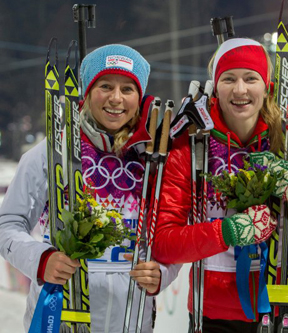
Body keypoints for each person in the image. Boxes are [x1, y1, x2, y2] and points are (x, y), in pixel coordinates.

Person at [153, 38, 288, 333]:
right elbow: (163, 242)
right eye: (228, 79)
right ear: (215, 87)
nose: (240, 90)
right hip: (209, 314)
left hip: (280, 309)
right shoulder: (191, 146)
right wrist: (226, 231)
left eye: (251, 78)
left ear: (267, 86)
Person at [0, 44, 180, 333]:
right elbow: (7, 224)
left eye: (127, 89)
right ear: (87, 92)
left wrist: (165, 272)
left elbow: (173, 233)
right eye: (105, 86)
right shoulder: (50, 153)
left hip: (131, 317)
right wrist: (41, 260)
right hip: (62, 312)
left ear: (140, 96)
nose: (116, 98)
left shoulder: (155, 159)